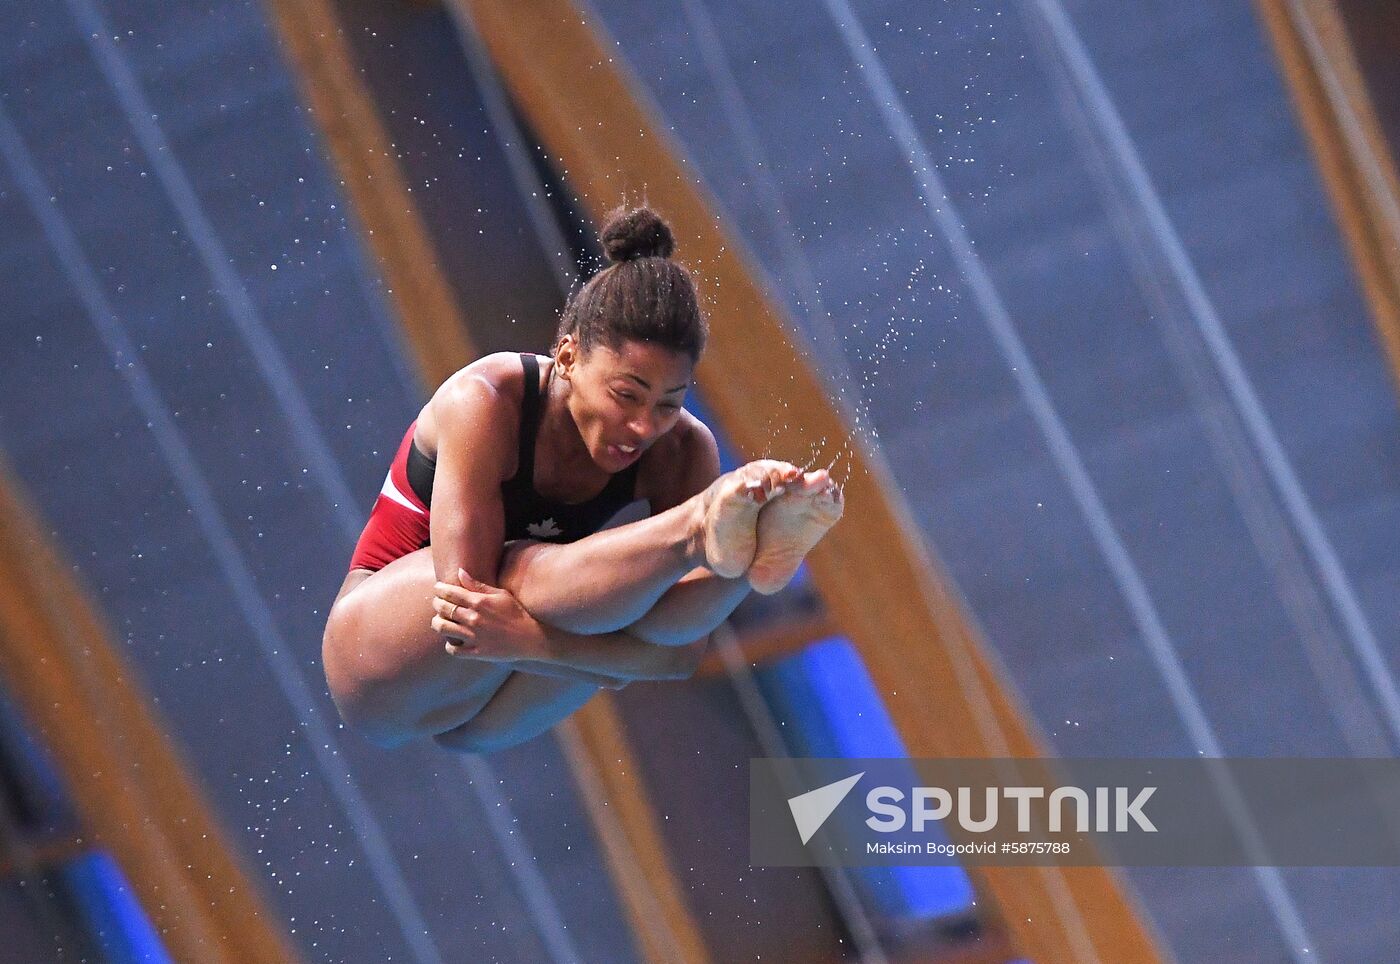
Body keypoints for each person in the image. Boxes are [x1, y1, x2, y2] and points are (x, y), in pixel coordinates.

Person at [321, 206, 843, 754]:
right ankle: (694, 532)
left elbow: (679, 656)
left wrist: (545, 647)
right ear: (567, 356)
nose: (643, 426)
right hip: (376, 662)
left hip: (488, 712)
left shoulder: (683, 447)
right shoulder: (486, 400)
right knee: (539, 579)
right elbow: (467, 613)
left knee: (636, 605)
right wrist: (592, 655)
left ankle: (748, 562)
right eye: (626, 394)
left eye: (669, 403)